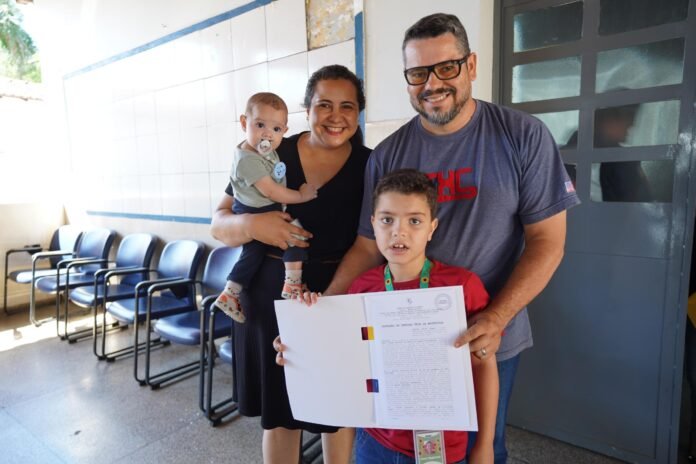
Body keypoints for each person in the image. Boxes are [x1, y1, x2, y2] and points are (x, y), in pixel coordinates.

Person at [321, 13, 581, 463]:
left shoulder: (522, 136)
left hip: (483, 335)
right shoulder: (388, 155)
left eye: (446, 67)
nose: (432, 84)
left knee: (482, 448)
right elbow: (366, 246)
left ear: (471, 65)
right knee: (396, 442)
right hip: (401, 336)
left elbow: (547, 241)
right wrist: (319, 322)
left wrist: (496, 317)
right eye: (418, 73)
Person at [209, 64, 371, 464]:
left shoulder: (371, 163)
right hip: (270, 293)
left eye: (347, 106)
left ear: (359, 112)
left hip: (339, 294)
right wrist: (253, 225)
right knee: (280, 414)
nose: (335, 116)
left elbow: (371, 244)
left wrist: (329, 302)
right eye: (324, 105)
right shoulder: (270, 149)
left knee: (338, 409)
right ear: (307, 108)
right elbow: (219, 223)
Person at [283, 169, 499, 464]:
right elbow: (346, 359)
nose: (399, 232)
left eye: (414, 221)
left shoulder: (462, 287)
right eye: (387, 220)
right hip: (375, 440)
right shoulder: (361, 288)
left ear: (432, 228)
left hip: (440, 444)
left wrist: (484, 445)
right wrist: (299, 346)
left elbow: (483, 366)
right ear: (373, 224)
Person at [213, 92, 318, 323]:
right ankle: (293, 283)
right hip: (256, 209)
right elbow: (271, 191)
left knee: (253, 253)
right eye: (260, 125)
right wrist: (301, 196)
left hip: (255, 208)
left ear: (285, 130)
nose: (268, 134)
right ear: (244, 123)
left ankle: (230, 292)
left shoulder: (265, 152)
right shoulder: (248, 159)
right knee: (295, 236)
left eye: (276, 129)